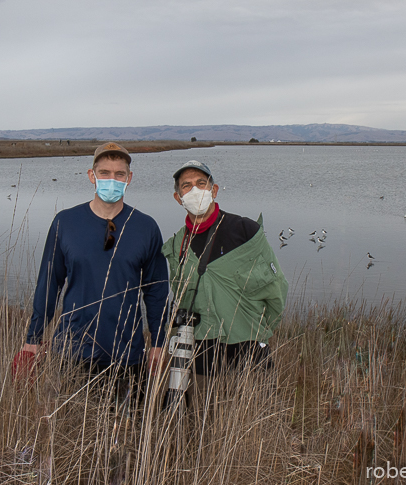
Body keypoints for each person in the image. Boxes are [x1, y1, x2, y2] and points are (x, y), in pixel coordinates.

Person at [21, 142, 169, 399]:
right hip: (72, 351)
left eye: (119, 174)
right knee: (69, 429)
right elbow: (49, 285)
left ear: (129, 179)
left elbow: (156, 293)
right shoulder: (65, 223)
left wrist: (158, 343)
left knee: (123, 431)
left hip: (126, 355)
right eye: (105, 173)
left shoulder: (145, 227)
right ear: (92, 176)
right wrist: (33, 339)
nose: (112, 180)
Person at [161, 160, 288, 379]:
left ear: (214, 190)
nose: (195, 190)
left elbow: (277, 290)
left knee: (256, 410)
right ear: (178, 198)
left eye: (202, 183)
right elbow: (178, 295)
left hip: (249, 354)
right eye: (186, 186)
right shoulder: (176, 244)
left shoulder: (245, 231)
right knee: (201, 412)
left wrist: (260, 334)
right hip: (200, 358)